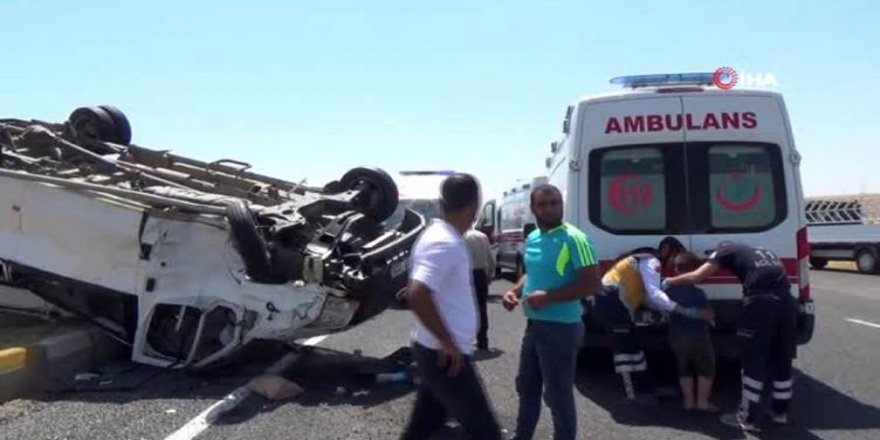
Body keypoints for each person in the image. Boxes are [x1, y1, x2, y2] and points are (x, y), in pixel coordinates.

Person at [400, 173, 502, 440]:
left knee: (423, 427)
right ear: (474, 205)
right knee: (486, 432)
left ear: (442, 203)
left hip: (438, 351)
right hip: (445, 356)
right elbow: (417, 293)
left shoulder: (442, 235)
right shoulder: (443, 242)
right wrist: (446, 340)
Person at [502, 184, 601, 440]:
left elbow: (592, 284)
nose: (549, 208)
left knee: (558, 395)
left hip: (562, 328)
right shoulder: (533, 237)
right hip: (534, 326)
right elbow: (531, 274)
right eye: (543, 204)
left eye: (554, 202)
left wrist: (549, 297)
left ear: (561, 205)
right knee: (526, 387)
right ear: (533, 208)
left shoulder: (575, 238)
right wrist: (514, 291)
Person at [664, 241, 796, 432]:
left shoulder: (724, 251)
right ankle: (780, 412)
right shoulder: (764, 251)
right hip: (787, 303)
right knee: (782, 359)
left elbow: (697, 276)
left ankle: (747, 417)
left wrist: (669, 281)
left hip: (761, 305)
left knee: (754, 358)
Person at [594, 237, 714, 404]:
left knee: (633, 345)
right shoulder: (651, 261)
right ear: (666, 249)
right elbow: (655, 295)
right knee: (625, 348)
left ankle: (644, 389)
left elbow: (648, 298)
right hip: (612, 301)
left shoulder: (642, 260)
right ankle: (632, 394)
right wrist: (686, 311)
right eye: (676, 255)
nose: (675, 263)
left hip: (613, 300)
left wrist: (664, 310)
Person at [666, 252, 717, 413]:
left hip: (676, 336)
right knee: (705, 368)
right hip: (698, 336)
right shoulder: (698, 294)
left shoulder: (668, 292)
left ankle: (688, 401)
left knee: (684, 367)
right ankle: (702, 402)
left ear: (676, 270)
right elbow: (709, 314)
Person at [464, 227, 496, 351]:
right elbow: (490, 257)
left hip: (466, 275)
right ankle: (483, 340)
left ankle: (466, 340)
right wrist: (490, 273)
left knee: (467, 309)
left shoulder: (461, 237)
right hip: (481, 274)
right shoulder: (482, 236)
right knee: (482, 308)